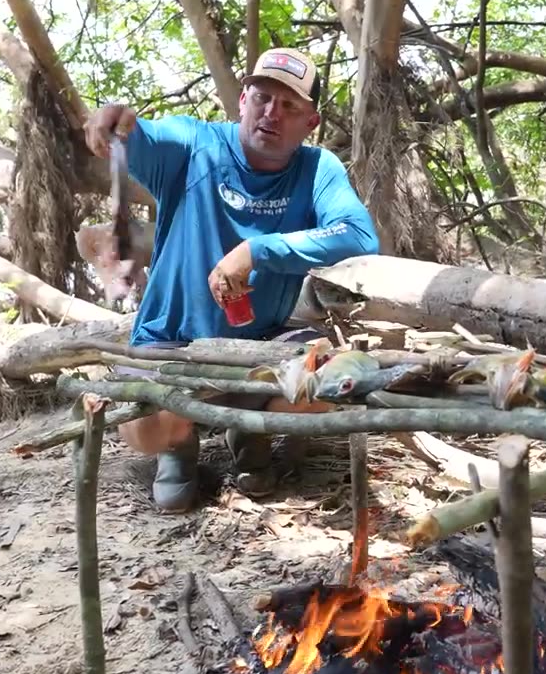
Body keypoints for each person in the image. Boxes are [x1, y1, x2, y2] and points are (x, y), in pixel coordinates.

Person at [83, 47, 379, 513]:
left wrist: (258, 250)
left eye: (289, 106)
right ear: (242, 100)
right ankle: (177, 446)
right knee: (142, 426)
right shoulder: (194, 146)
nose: (271, 113)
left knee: (332, 382)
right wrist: (116, 122)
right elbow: (139, 136)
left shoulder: (318, 170)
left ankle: (250, 427)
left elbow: (358, 235)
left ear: (311, 123)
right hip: (170, 344)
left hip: (263, 345)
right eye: (262, 97)